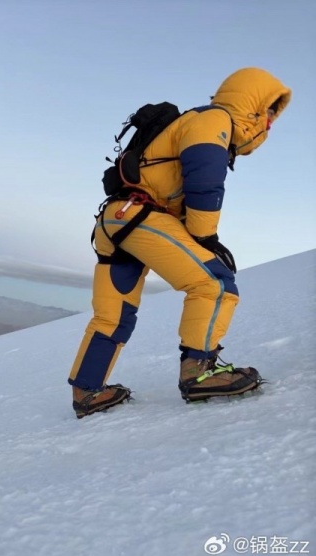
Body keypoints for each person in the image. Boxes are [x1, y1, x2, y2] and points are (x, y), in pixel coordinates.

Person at [68, 67, 291, 419]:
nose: (269, 124)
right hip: (140, 216)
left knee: (112, 315)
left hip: (116, 220)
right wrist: (206, 238)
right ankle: (199, 372)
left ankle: (87, 391)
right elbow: (205, 182)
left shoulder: (197, 120)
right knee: (215, 283)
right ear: (252, 106)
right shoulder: (213, 121)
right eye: (269, 113)